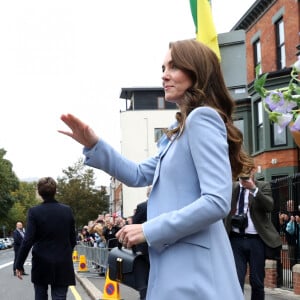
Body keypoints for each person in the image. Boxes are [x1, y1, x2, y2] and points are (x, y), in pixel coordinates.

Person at [59, 39, 254, 299]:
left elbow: (216, 201)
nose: (164, 75)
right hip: (176, 266)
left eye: (173, 66)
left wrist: (148, 229)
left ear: (196, 71)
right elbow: (138, 174)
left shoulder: (201, 118)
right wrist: (94, 144)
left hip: (196, 274)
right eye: (163, 67)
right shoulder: (179, 133)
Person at [224, 164, 282, 300]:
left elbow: (269, 206)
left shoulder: (263, 186)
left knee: (257, 281)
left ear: (253, 171)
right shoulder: (233, 188)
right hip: (235, 240)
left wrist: (254, 189)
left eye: (247, 172)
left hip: (256, 240)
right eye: (242, 172)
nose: (244, 175)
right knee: (236, 280)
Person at [15, 177, 77, 300]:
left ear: (39, 192)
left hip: (41, 262)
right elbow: (73, 239)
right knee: (60, 296)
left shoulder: (34, 212)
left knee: (40, 296)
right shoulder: (67, 211)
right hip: (62, 263)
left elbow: (27, 241)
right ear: (55, 191)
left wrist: (19, 264)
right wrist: (65, 253)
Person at [132, 186, 151, 300]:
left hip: (145, 248)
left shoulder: (142, 206)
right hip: (145, 248)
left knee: (146, 277)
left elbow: (134, 224)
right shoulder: (143, 206)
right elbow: (134, 226)